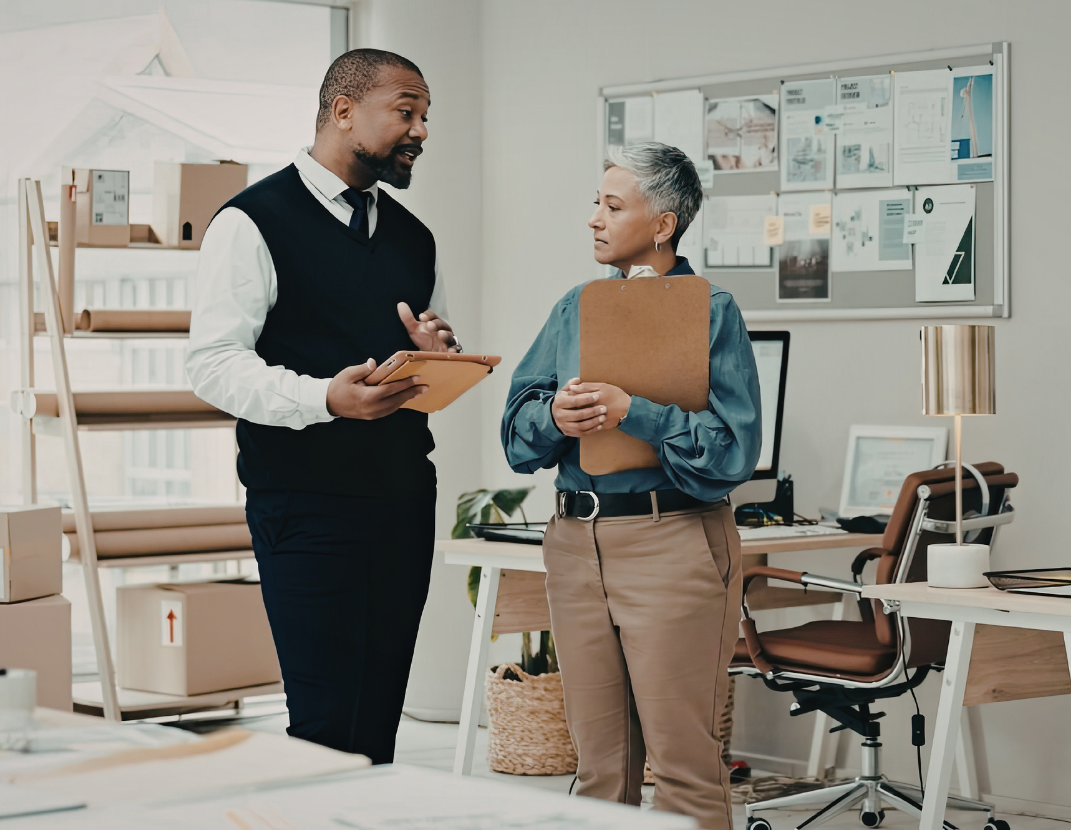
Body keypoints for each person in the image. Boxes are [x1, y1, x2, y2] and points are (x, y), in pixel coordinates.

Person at [187, 49, 459, 765]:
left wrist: (435, 354)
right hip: (304, 504)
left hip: (403, 496)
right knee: (324, 726)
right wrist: (325, 399)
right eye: (407, 111)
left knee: (377, 722)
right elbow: (212, 364)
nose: (421, 130)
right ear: (343, 112)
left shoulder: (414, 237)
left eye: (424, 115)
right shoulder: (251, 222)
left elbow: (419, 363)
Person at [501, 142, 762, 830]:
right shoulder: (574, 308)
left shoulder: (714, 310)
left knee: (685, 770)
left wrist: (633, 412)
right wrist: (553, 415)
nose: (593, 218)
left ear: (663, 224)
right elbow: (516, 434)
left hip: (672, 543)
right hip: (573, 544)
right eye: (596, 202)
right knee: (599, 771)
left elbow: (734, 453)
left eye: (612, 206)